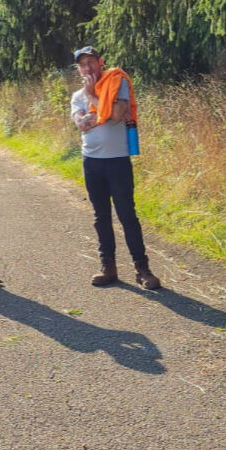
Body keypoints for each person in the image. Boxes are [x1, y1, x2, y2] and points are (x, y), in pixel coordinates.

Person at [70, 46, 161, 290]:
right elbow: (81, 123)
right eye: (83, 64)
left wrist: (93, 99)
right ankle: (107, 267)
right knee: (101, 216)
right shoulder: (76, 96)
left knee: (126, 215)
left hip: (118, 159)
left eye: (91, 62)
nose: (88, 68)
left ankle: (142, 269)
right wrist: (96, 112)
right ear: (78, 69)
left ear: (101, 62)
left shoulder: (116, 82)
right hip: (91, 160)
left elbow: (118, 114)